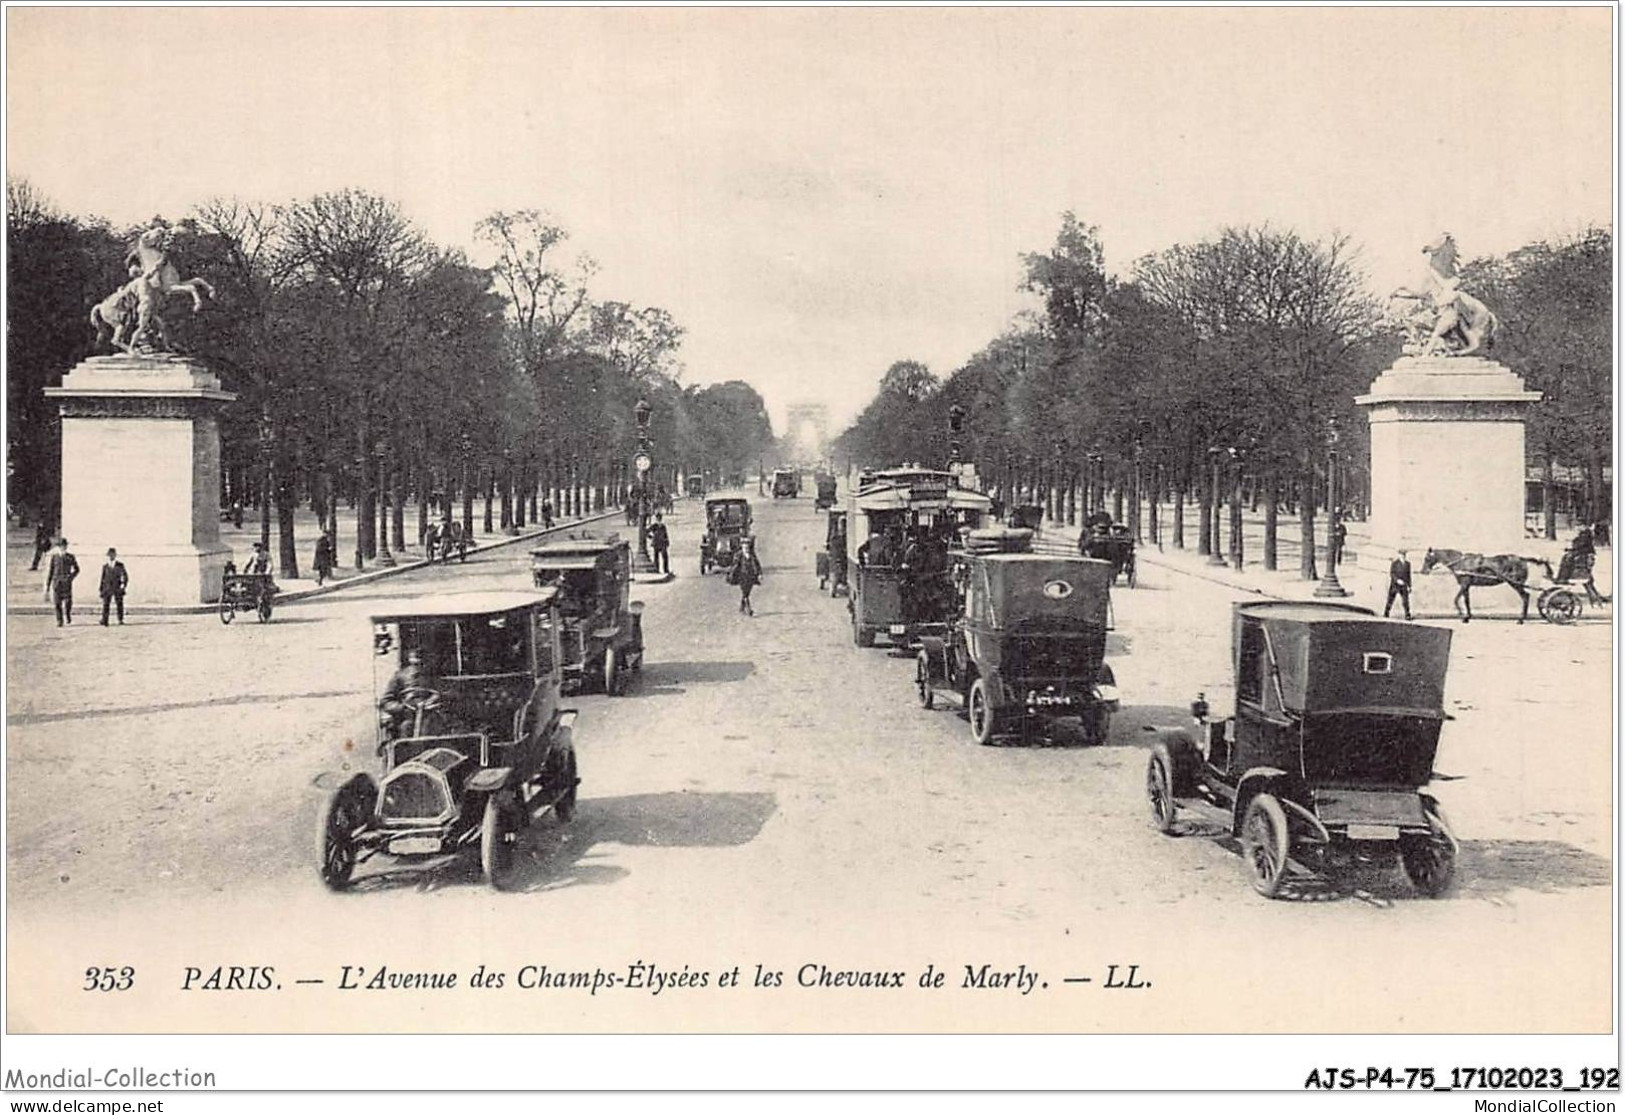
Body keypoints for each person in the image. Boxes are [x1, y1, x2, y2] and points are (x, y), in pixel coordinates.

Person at [379, 648, 433, 740]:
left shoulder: (432, 676)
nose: (417, 667)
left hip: (431, 716)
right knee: (406, 728)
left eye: (421, 663)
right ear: (409, 660)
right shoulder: (399, 677)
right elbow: (386, 702)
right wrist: (404, 707)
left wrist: (432, 701)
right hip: (408, 717)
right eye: (415, 663)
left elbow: (442, 694)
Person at [44, 538, 79, 626]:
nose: (62, 548)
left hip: (66, 583)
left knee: (68, 602)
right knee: (57, 603)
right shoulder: (54, 557)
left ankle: (67, 614)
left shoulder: (70, 557)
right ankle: (59, 620)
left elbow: (77, 569)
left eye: (64, 546)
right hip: (57, 583)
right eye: (61, 546)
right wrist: (47, 586)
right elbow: (51, 571)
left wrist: (70, 577)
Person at [732, 537, 763, 616]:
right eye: (744, 547)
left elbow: (757, 564)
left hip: (751, 577)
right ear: (742, 547)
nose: (746, 549)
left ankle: (742, 608)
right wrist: (733, 574)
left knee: (746, 592)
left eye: (747, 547)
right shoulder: (739, 555)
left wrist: (759, 574)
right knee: (745, 592)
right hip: (742, 576)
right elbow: (734, 565)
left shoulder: (752, 555)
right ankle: (749, 610)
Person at [99, 547, 129, 625]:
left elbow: (125, 576)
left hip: (117, 587)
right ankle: (105, 620)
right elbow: (103, 578)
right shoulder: (105, 566)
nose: (110, 557)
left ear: (115, 555)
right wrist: (101, 589)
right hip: (107, 587)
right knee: (106, 604)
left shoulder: (120, 565)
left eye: (112, 555)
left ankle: (120, 619)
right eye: (109, 555)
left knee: (119, 603)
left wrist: (123, 585)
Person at [1385, 549, 1413, 620]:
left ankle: (1407, 614)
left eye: (1404, 555)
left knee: (1405, 600)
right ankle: (1386, 612)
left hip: (1404, 585)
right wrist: (1397, 580)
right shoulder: (1395, 563)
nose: (1402, 556)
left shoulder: (1407, 564)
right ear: (1399, 555)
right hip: (1395, 585)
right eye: (1401, 555)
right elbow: (1392, 574)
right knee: (1390, 599)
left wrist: (1409, 586)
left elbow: (1408, 576)